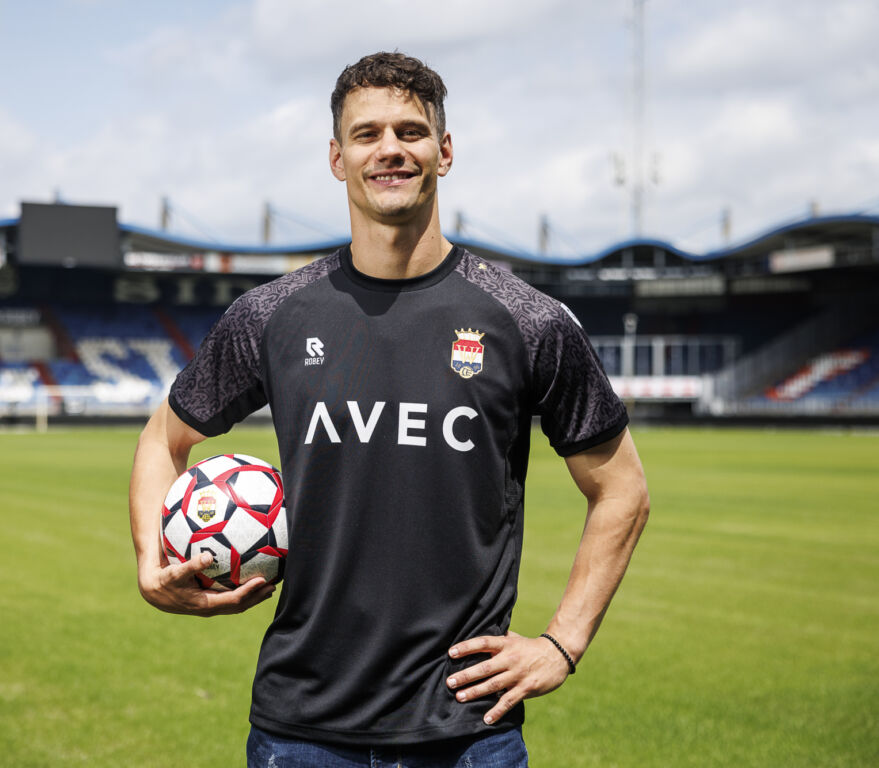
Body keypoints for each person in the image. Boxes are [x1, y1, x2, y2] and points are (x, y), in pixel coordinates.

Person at [129, 51, 650, 767]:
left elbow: (620, 488)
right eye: (367, 134)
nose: (390, 150)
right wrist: (152, 562)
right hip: (301, 728)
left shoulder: (527, 321)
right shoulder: (272, 315)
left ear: (444, 150)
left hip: (467, 726)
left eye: (410, 131)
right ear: (337, 158)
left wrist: (561, 641)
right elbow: (165, 437)